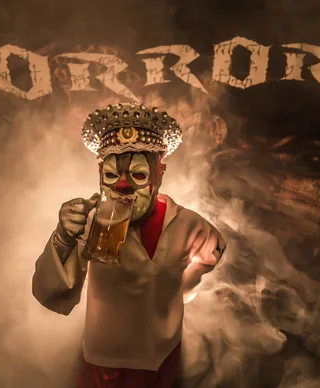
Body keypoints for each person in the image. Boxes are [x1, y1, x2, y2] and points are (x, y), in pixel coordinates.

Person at [32, 102, 227, 388]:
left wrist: (182, 288)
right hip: (104, 360)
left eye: (138, 175)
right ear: (100, 173)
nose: (122, 186)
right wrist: (63, 237)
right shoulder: (90, 223)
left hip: (164, 355)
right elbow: (51, 292)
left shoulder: (188, 223)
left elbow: (213, 252)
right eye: (111, 176)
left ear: (159, 174)